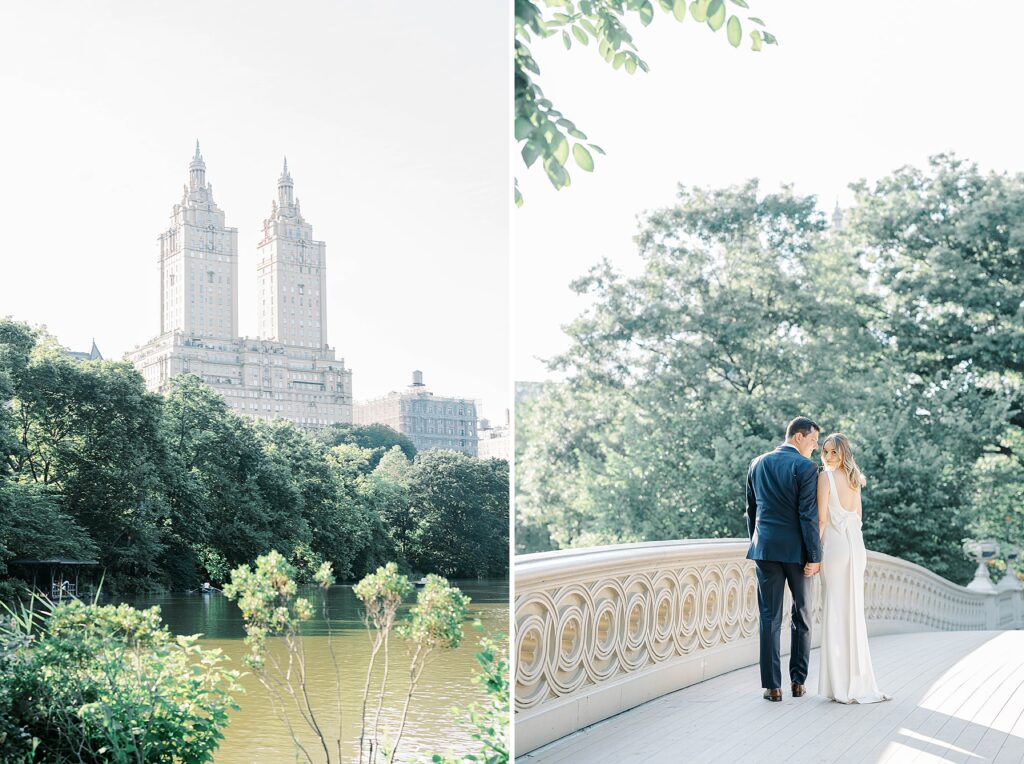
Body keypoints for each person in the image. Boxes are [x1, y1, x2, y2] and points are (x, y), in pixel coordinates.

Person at [746, 416, 822, 702]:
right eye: (813, 441)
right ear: (798, 437)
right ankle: (798, 682)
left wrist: (757, 542)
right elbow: (807, 515)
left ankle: (772, 687)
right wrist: (814, 555)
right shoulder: (806, 467)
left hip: (765, 550)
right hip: (797, 552)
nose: (815, 447)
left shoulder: (757, 463)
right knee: (802, 614)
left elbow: (751, 510)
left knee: (769, 617)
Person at [817, 432, 890, 703]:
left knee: (835, 610)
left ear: (843, 453)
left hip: (836, 545)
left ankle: (839, 685)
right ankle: (856, 682)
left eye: (833, 452)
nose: (827, 456)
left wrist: (812, 554)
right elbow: (858, 516)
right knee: (853, 611)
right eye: (825, 451)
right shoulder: (854, 479)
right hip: (856, 545)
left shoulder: (825, 478)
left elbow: (821, 520)